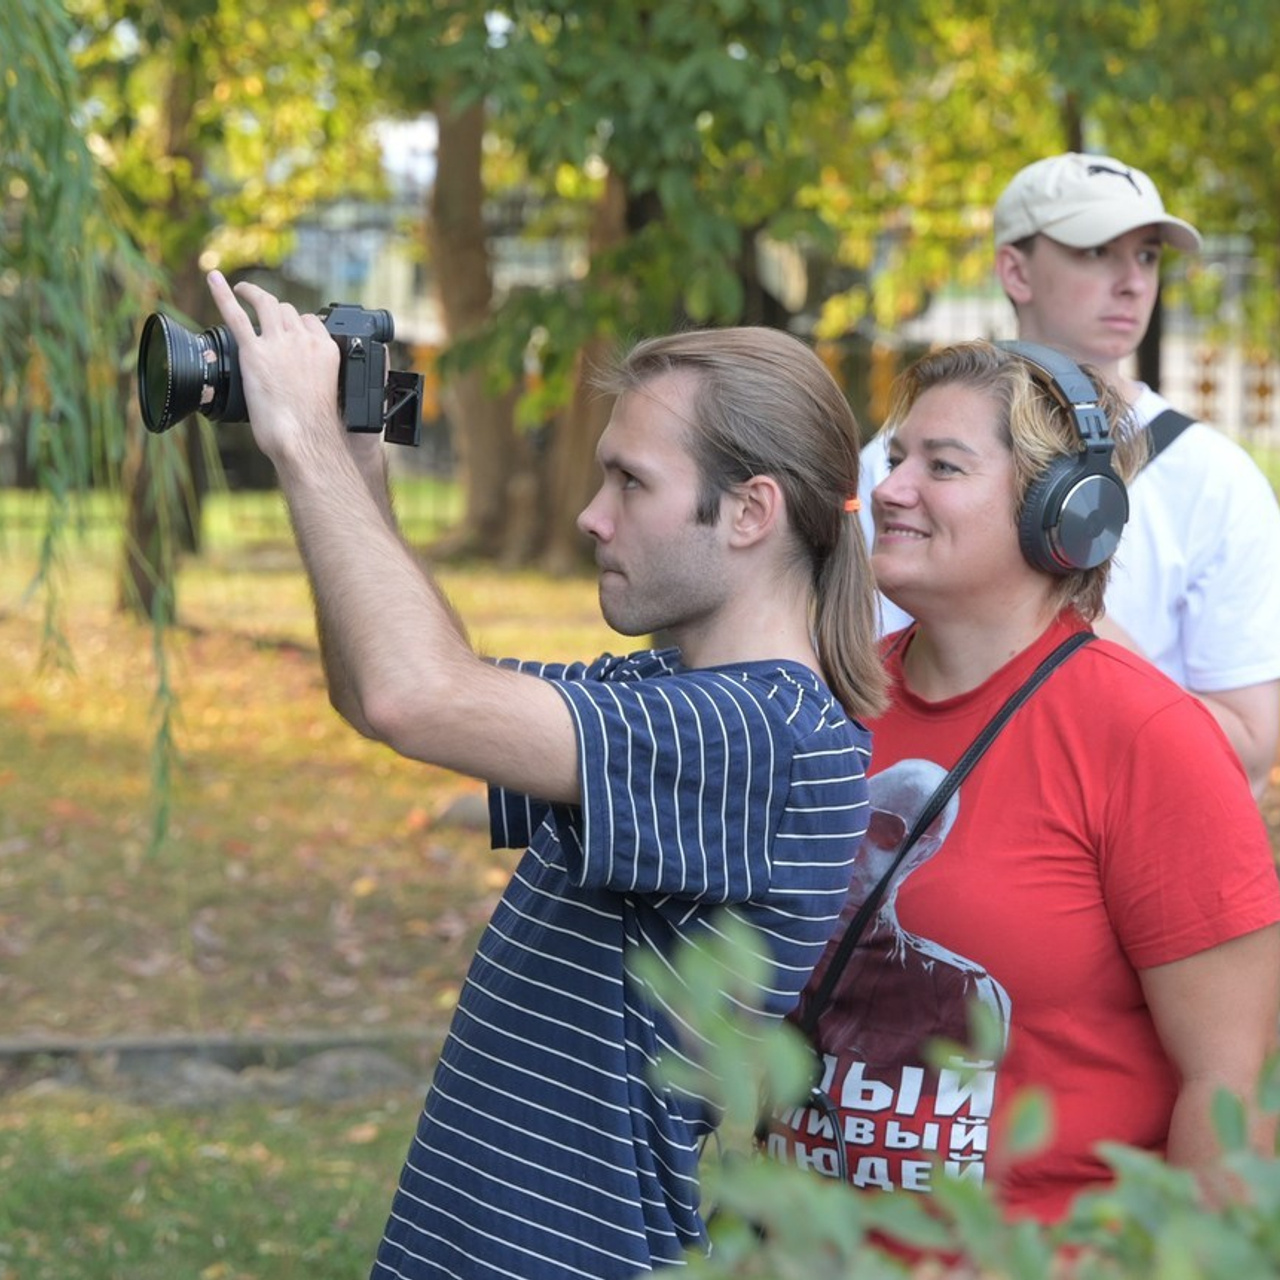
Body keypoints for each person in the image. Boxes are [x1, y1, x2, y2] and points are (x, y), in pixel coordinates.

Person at [204, 270, 886, 1279]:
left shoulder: (761, 736)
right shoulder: (669, 696)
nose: (589, 515)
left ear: (748, 512)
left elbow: (414, 693)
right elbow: (381, 695)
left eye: (630, 481)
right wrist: (359, 470)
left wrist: (304, 446)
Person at [772, 340, 1280, 1225]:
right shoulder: (825, 703)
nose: (890, 491)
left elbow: (1230, 1088)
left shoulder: (1150, 739)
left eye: (942, 466)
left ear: (1065, 513)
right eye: (896, 460)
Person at [858, 152, 1280, 798]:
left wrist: (1055, 608)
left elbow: (1249, 754)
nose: (1133, 281)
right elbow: (855, 690)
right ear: (1015, 270)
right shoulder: (898, 466)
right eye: (1096, 252)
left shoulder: (1214, 477)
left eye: (1146, 256)